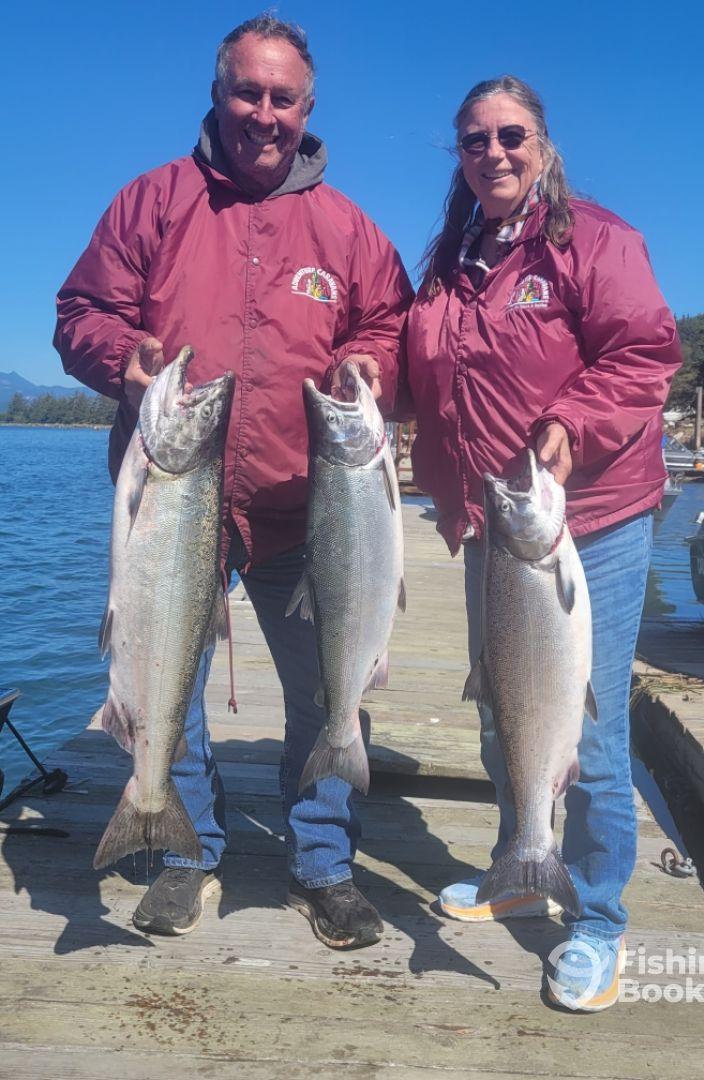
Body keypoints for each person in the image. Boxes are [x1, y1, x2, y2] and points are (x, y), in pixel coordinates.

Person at [54, 16, 412, 949]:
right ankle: (186, 853)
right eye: (246, 92)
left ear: (308, 107)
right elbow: (82, 310)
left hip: (307, 510)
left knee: (330, 692)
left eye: (281, 97)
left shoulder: (348, 228)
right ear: (217, 95)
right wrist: (119, 359)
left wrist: (370, 362)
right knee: (164, 681)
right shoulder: (154, 201)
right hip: (176, 508)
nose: (263, 113)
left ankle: (323, 862)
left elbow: (392, 326)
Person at [402, 76, 681, 1010]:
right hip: (494, 521)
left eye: (511, 134)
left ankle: (597, 917)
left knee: (588, 733)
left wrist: (573, 423)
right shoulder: (451, 258)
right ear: (460, 154)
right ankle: (523, 864)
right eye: (474, 139)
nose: (495, 152)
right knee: (502, 710)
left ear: (544, 142)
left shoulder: (594, 241)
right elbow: (432, 379)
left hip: (585, 520)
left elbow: (644, 354)